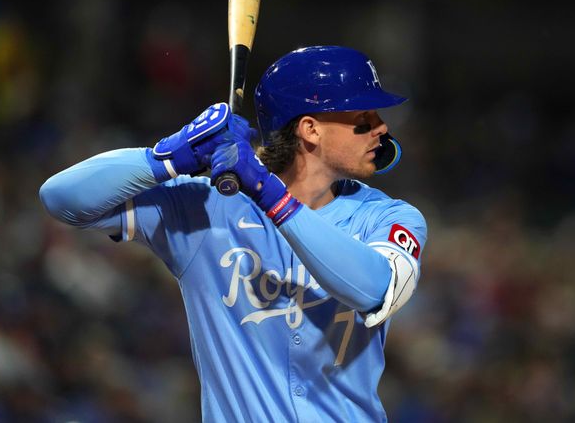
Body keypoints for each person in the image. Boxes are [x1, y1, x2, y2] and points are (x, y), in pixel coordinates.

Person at [39, 45, 427, 422]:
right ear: (310, 130)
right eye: (364, 118)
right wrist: (167, 158)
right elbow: (62, 199)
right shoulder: (208, 207)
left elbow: (374, 290)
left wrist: (268, 192)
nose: (382, 127)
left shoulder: (389, 217)